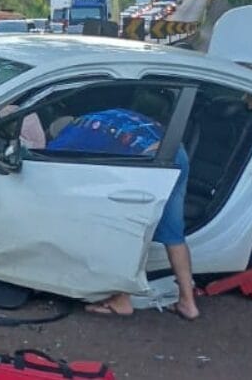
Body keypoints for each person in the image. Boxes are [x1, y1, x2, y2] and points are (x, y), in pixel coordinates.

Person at [46, 105, 200, 321]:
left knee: (129, 228)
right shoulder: (101, 116)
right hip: (175, 151)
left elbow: (46, 168)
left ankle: (121, 300)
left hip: (148, 160)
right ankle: (188, 303)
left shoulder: (67, 137)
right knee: (173, 232)